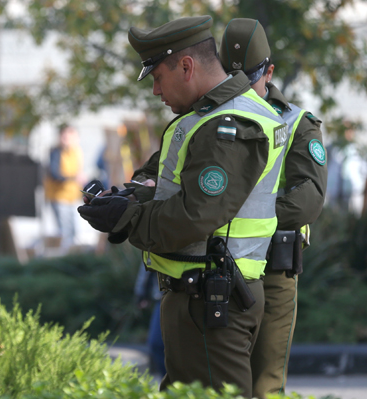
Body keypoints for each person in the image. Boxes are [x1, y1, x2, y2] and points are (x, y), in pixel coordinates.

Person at [78, 15, 287, 397]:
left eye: (157, 77)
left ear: (187, 66)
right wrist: (127, 198)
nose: (156, 90)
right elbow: (163, 183)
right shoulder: (202, 118)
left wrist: (126, 218)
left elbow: (196, 215)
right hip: (202, 298)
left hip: (213, 301)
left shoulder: (229, 124)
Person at [219, 19, 328, 399]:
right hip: (219, 263)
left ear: (269, 72)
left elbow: (307, 200)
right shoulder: (213, 116)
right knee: (219, 385)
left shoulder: (297, 123)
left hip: (274, 267)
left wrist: (233, 211)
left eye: (250, 79)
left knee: (264, 383)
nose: (242, 90)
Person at [43, 124, 84, 253]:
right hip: (59, 196)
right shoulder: (56, 152)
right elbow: (55, 174)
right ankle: (65, 256)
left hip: (73, 196)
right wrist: (73, 178)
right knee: (64, 231)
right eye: (64, 136)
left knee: (74, 231)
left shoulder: (76, 151)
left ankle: (72, 255)